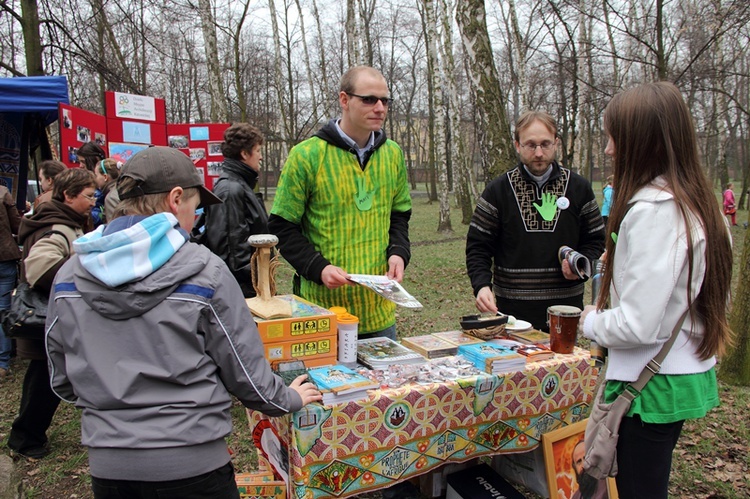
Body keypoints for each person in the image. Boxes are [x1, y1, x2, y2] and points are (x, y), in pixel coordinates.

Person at [45, 146, 321, 498]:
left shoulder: (70, 274)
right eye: (195, 206)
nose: (195, 217)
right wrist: (289, 398)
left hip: (109, 468)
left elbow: (62, 376)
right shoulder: (205, 271)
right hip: (195, 465)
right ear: (176, 199)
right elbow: (246, 373)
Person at [579, 82, 732, 499]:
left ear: (640, 142)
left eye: (615, 137)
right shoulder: (700, 204)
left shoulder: (654, 213)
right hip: (675, 372)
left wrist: (589, 322)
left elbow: (638, 325)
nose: (609, 150)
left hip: (651, 384)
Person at [268, 66, 411, 340]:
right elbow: (282, 227)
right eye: (369, 99)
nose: (379, 107)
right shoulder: (307, 156)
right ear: (344, 100)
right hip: (322, 315)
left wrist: (398, 252)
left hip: (378, 316)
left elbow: (399, 214)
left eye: (385, 100)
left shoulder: (392, 155)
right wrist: (317, 267)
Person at [465, 111, 605, 331]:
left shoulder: (579, 188)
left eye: (545, 144)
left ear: (556, 143)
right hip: (513, 315)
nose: (539, 152)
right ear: (518, 145)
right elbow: (478, 247)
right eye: (531, 145)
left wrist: (581, 265)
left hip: (565, 311)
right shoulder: (498, 191)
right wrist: (481, 286)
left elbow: (596, 240)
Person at [6, 168, 96, 459]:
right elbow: (40, 269)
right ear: (69, 196)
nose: (93, 202)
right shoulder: (56, 227)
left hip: (58, 318)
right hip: (49, 319)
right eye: (89, 196)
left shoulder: (65, 220)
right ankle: (25, 438)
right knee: (43, 380)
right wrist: (80, 279)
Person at [204, 123, 269, 297]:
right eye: (258, 151)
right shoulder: (230, 190)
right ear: (244, 154)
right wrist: (254, 291)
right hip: (242, 292)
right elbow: (233, 257)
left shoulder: (240, 185)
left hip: (252, 286)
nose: (261, 157)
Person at [0, 181, 22, 380]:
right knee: (3, 309)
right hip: (4, 256)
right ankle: (3, 363)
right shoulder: (2, 193)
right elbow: (17, 225)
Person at [91, 158, 122, 227]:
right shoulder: (122, 189)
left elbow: (115, 227)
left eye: (96, 175)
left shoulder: (111, 197)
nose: (95, 179)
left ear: (105, 177)